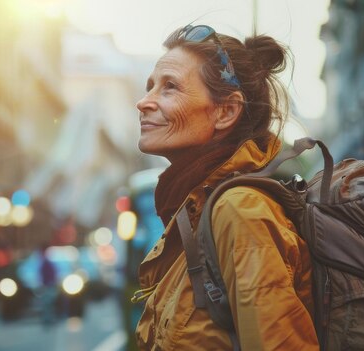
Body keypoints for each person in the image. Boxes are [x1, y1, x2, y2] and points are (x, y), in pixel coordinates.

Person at [131, 24, 319, 350]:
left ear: (226, 111)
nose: (143, 102)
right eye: (150, 87)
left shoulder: (240, 211)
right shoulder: (199, 208)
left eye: (169, 87)